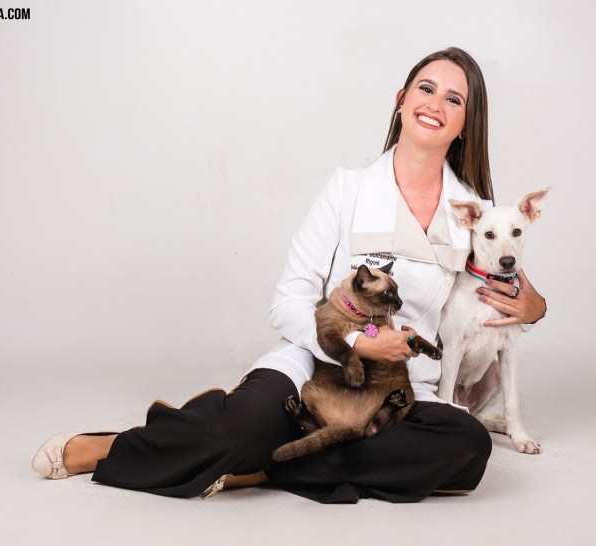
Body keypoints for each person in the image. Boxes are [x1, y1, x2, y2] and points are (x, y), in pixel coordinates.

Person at [32, 47, 547, 504]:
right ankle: (115, 447)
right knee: (235, 432)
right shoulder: (346, 189)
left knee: (466, 448)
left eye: (454, 99)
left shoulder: (472, 212)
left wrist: (535, 307)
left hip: (400, 388)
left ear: (466, 123)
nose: (435, 104)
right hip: (317, 366)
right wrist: (357, 343)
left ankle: (259, 466)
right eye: (426, 89)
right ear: (401, 100)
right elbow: (287, 303)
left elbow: (500, 277)